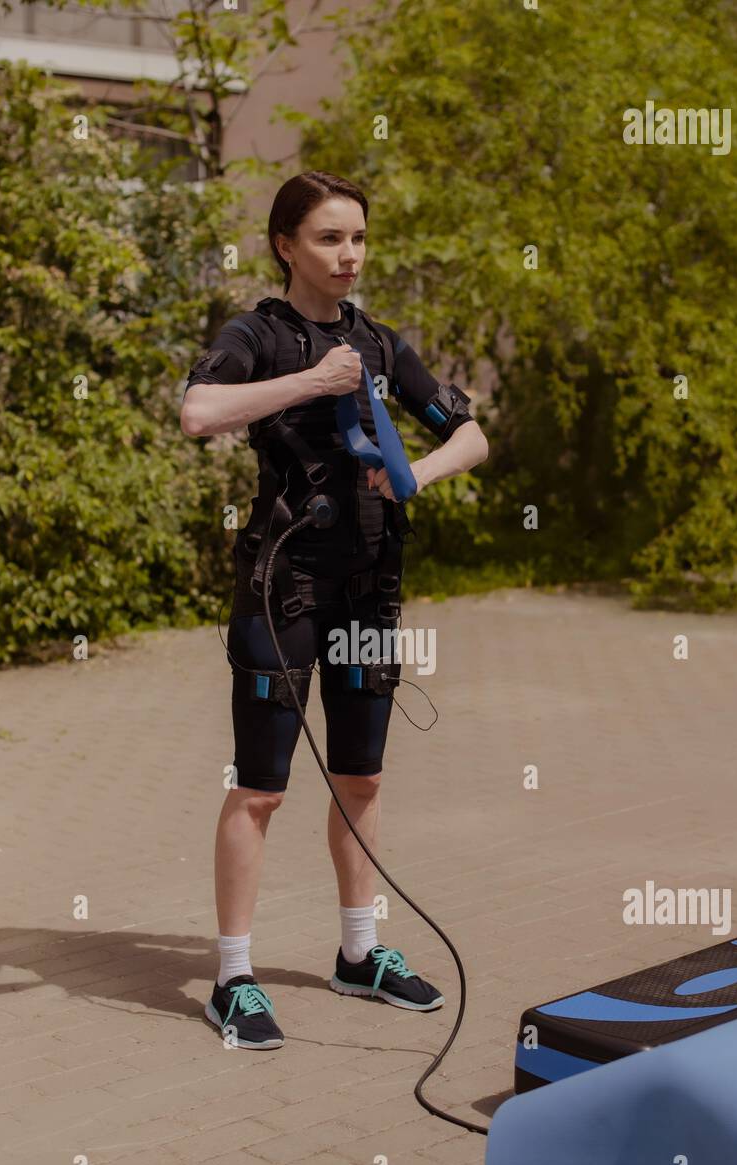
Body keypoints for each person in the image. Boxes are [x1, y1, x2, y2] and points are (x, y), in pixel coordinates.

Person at [181, 171, 489, 1049]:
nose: (348, 255)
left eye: (357, 237)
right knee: (261, 792)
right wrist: (312, 380)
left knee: (363, 780)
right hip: (283, 593)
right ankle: (232, 978)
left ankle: (361, 955)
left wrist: (410, 476)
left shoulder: (382, 345)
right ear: (286, 244)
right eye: (328, 238)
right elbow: (198, 412)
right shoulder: (258, 335)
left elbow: (470, 432)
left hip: (368, 591)